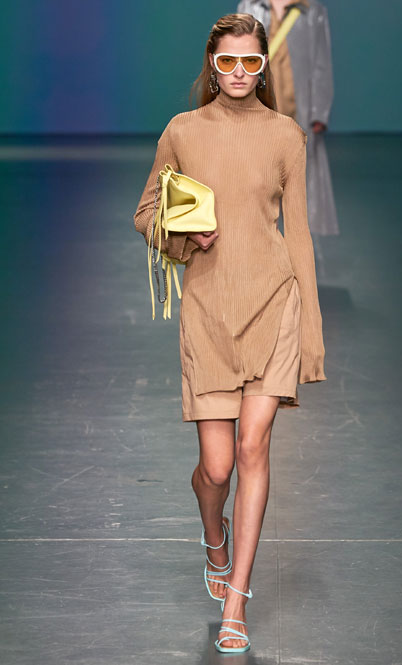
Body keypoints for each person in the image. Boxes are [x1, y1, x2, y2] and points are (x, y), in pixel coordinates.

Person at [133, 13, 326, 654]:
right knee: (215, 468)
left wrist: (311, 332)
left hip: (274, 302)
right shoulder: (183, 131)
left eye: (251, 62)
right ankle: (212, 535)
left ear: (263, 67)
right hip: (210, 308)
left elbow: (299, 234)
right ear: (211, 67)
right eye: (227, 62)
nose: (239, 72)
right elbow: (145, 213)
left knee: (252, 449)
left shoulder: (285, 135)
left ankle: (237, 599)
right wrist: (186, 234)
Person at [237, 0, 339, 237]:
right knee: (256, 170)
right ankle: (255, 229)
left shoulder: (312, 11)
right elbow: (238, 55)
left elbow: (321, 63)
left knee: (299, 174)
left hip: (297, 106)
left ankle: (298, 235)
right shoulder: (250, 7)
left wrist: (319, 110)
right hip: (261, 104)